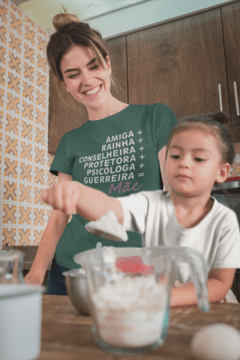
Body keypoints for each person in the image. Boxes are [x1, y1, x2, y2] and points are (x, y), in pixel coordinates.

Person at [24, 12, 178, 293]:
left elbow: (171, 200)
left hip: (138, 269)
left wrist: (169, 267)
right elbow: (59, 217)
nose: (87, 80)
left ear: (108, 63)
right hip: (73, 270)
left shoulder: (155, 117)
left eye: (94, 66)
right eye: (73, 74)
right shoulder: (70, 141)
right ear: (64, 84)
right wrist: (35, 275)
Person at [41, 112, 240, 305]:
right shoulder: (150, 204)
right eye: (176, 155)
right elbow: (109, 207)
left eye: (199, 158)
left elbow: (219, 282)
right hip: (156, 305)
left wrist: (165, 297)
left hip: (206, 306)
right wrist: (76, 192)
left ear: (221, 172)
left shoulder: (224, 222)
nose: (184, 163)